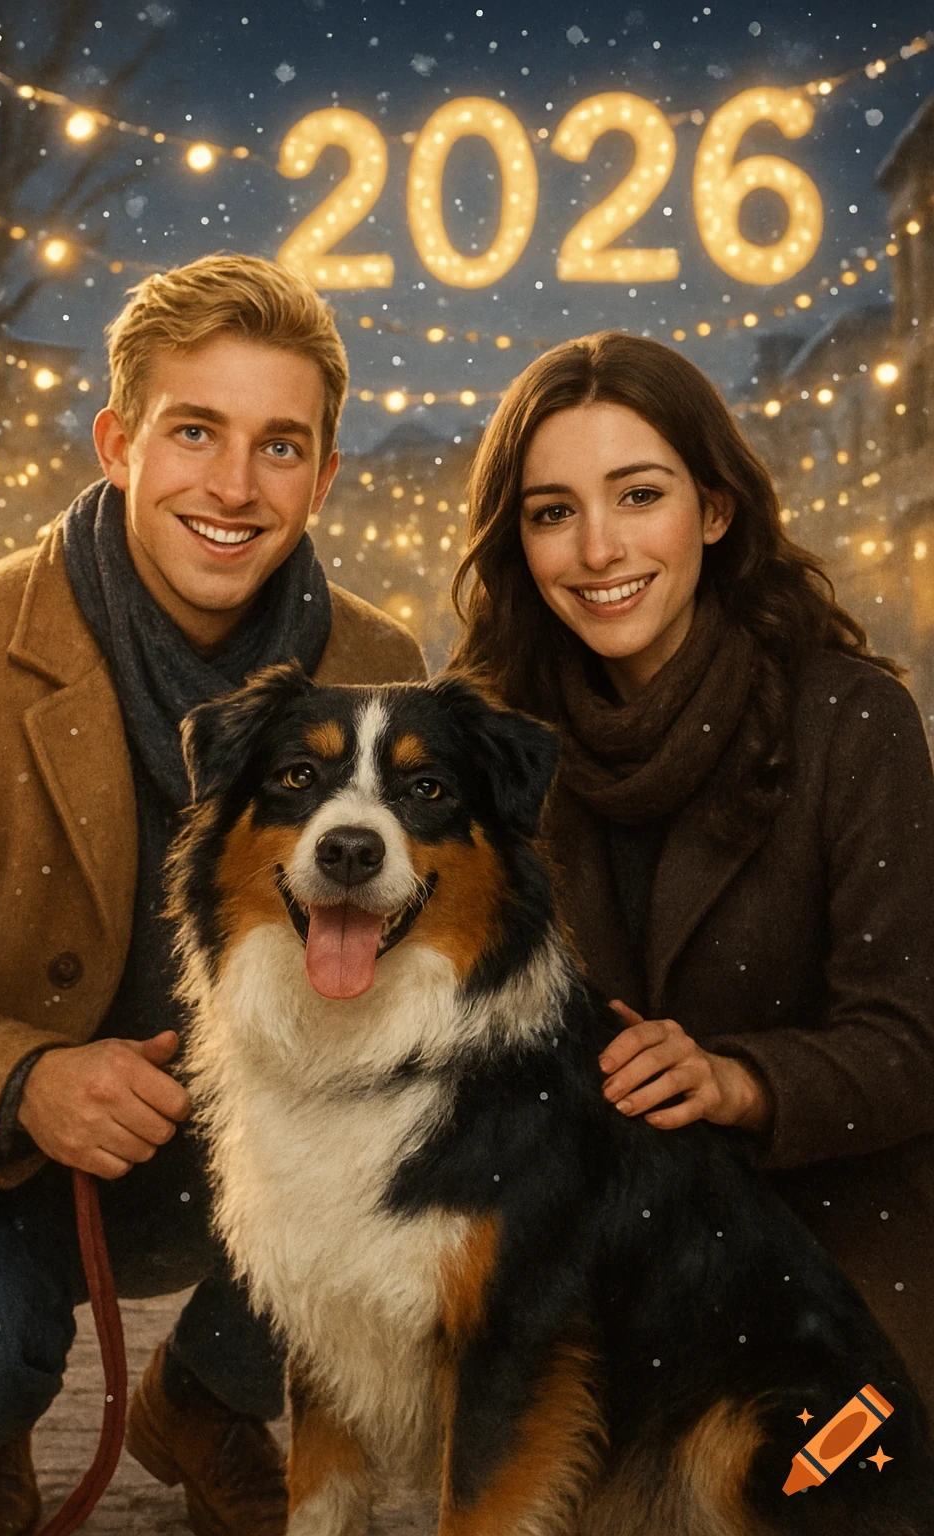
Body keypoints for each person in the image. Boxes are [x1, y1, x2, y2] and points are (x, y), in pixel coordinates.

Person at [0, 253, 426, 1536]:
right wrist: (22, 1081)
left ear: (325, 473)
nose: (236, 488)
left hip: (269, 1154)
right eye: (195, 431)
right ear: (118, 438)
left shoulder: (379, 665)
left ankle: (205, 1400)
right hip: (4, 1172)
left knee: (422, 1167)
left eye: (281, 445)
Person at [451, 329, 934, 1420]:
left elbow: (912, 1042)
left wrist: (738, 1080)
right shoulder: (485, 738)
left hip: (825, 1215)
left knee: (818, 1471)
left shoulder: (852, 719)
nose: (597, 549)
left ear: (713, 512)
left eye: (637, 495)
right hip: (580, 1222)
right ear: (517, 543)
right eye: (552, 511)